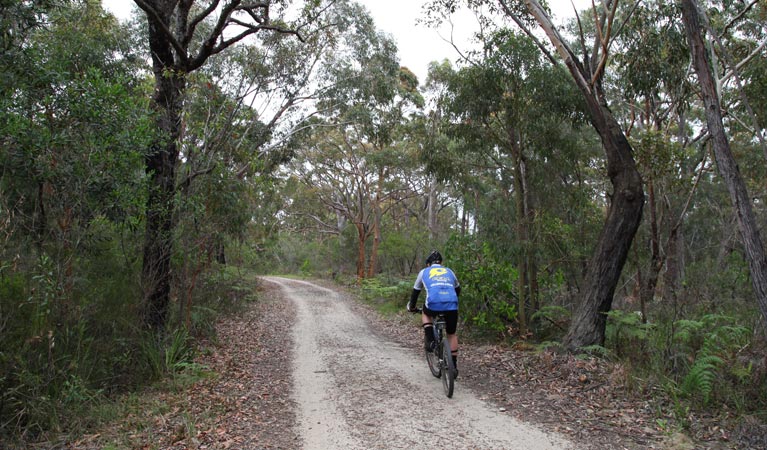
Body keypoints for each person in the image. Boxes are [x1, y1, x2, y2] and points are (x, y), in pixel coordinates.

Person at [406, 250, 461, 376]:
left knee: (425, 313)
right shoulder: (449, 271)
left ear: (428, 264)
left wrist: (412, 307)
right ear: (441, 263)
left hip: (433, 304)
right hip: (452, 304)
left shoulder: (424, 272)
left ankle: (430, 339)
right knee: (451, 334)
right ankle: (453, 367)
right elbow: (458, 290)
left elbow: (415, 293)